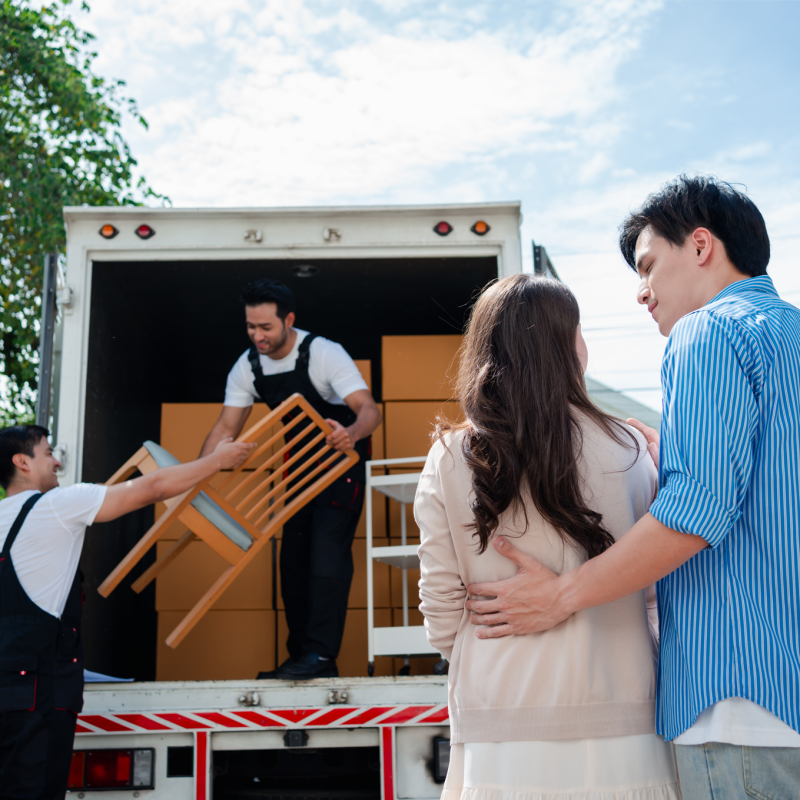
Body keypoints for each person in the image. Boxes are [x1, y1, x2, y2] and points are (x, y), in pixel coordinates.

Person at [465, 176, 800, 798]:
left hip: (740, 697)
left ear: (701, 245)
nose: (641, 292)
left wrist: (562, 595)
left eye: (647, 266)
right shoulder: (790, 334)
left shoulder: (707, 332)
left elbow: (696, 511)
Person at [415, 274, 679, 800]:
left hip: (500, 721)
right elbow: (658, 585)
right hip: (625, 714)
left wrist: (489, 652)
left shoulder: (451, 456)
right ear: (568, 344)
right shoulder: (630, 447)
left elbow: (441, 610)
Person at [0, 423, 253, 800]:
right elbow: (151, 487)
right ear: (22, 462)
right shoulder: (58, 504)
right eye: (48, 452)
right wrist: (216, 460)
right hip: (39, 695)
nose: (57, 462)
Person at [200, 278, 382, 680]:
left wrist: (350, 433)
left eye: (266, 327)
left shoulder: (323, 353)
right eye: (251, 327)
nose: (257, 335)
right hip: (298, 464)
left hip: (341, 460)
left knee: (326, 555)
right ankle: (300, 656)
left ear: (289, 320)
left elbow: (369, 410)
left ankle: (320, 657)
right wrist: (194, 474)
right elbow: (224, 429)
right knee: (293, 561)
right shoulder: (247, 366)